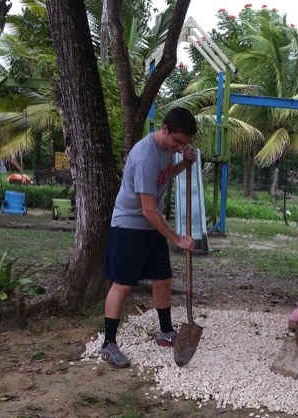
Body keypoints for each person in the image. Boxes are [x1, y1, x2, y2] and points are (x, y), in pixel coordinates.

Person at [100, 107, 198, 368]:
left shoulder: (166, 151)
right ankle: (108, 344)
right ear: (164, 129)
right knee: (122, 284)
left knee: (163, 278)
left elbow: (162, 178)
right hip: (130, 226)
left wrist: (183, 163)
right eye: (177, 142)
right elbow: (148, 209)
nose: (179, 147)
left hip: (150, 226)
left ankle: (165, 332)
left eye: (184, 144)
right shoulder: (145, 157)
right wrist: (177, 238)